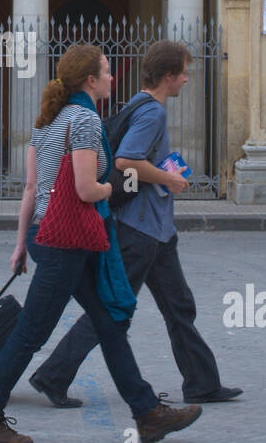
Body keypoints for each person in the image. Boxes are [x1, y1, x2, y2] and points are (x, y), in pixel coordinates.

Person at [0, 44, 203, 443]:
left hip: (46, 236)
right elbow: (86, 189)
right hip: (67, 242)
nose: (112, 78)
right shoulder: (86, 121)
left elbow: (32, 189)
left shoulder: (48, 120)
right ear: (91, 80)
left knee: (108, 324)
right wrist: (112, 188)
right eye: (107, 72)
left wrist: (22, 243)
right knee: (30, 333)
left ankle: (147, 414)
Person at [30, 40, 242, 407]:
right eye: (184, 73)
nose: (187, 80)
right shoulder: (152, 113)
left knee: (179, 306)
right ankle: (53, 375)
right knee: (113, 309)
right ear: (168, 76)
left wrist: (165, 169)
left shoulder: (140, 105)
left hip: (157, 231)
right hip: (139, 230)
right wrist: (168, 178)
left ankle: (202, 383)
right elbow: (128, 160)